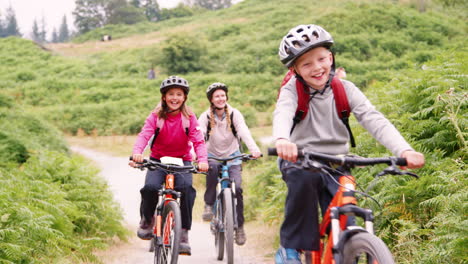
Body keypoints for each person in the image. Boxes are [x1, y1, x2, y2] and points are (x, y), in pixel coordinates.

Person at [273, 24, 425, 263]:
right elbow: (282, 113)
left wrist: (403, 149)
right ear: (295, 70)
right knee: (303, 179)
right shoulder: (291, 91)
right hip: (300, 159)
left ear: (331, 58)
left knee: (346, 218)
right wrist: (282, 140)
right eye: (306, 64)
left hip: (338, 163)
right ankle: (291, 248)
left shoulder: (344, 88)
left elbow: (374, 119)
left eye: (321, 59)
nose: (317, 68)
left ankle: (352, 247)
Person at [129, 75, 209, 255]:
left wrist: (202, 160)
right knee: (150, 187)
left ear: (184, 97)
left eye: (179, 94)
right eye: (171, 94)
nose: (175, 98)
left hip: (182, 161)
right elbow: (144, 135)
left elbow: (198, 141)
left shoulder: (189, 118)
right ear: (164, 97)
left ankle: (183, 233)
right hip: (158, 160)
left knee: (187, 189)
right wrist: (138, 153)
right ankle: (147, 220)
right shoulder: (156, 116)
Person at [197, 82, 262, 246]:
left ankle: (239, 227)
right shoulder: (205, 116)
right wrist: (196, 156)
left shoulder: (234, 114)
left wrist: (254, 149)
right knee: (211, 170)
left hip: (233, 156)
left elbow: (243, 131)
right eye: (217, 96)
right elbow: (199, 136)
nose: (221, 98)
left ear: (226, 97)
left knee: (238, 188)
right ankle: (209, 205)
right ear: (211, 99)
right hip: (212, 155)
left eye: (223, 95)